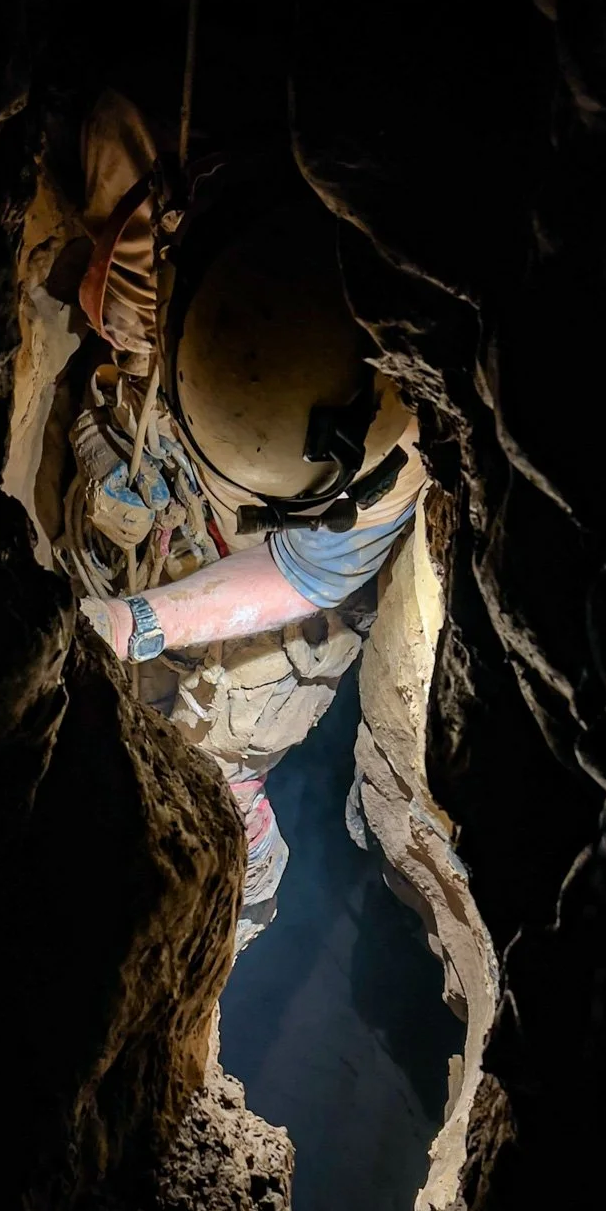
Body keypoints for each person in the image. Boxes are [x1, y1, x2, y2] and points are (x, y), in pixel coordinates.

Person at [63, 92, 427, 947]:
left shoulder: (388, 443)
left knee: (218, 747)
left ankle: (246, 888)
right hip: (177, 415)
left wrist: (139, 621)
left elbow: (302, 573)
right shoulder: (160, 209)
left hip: (268, 591)